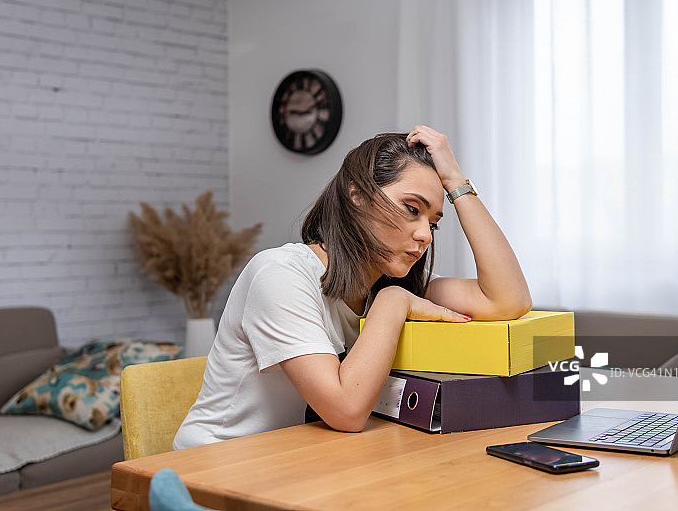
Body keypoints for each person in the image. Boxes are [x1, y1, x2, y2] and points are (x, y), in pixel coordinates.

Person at [173, 125, 532, 448]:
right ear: (357, 196)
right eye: (411, 209)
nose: (424, 235)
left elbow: (508, 300)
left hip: (297, 460)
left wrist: (457, 183)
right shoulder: (281, 274)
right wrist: (392, 303)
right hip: (215, 463)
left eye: (433, 223)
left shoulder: (394, 280)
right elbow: (345, 411)